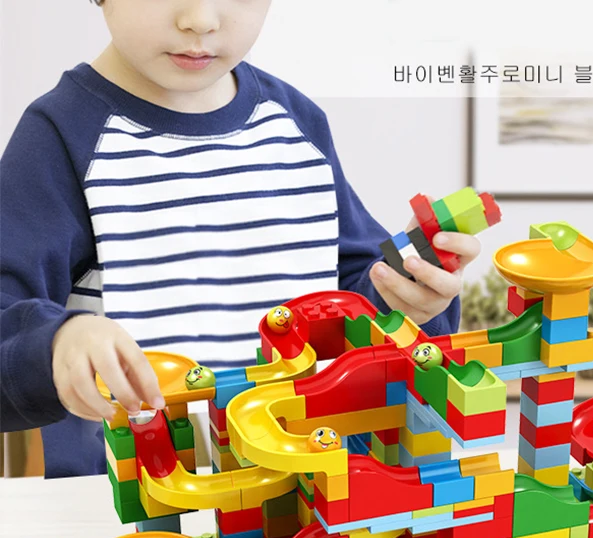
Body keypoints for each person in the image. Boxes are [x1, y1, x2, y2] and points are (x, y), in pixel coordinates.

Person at [0, 0, 480, 477]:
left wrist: (411, 296)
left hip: (302, 483)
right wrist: (58, 343)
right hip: (136, 497)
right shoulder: (60, 137)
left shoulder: (296, 122)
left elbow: (354, 301)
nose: (200, 20)